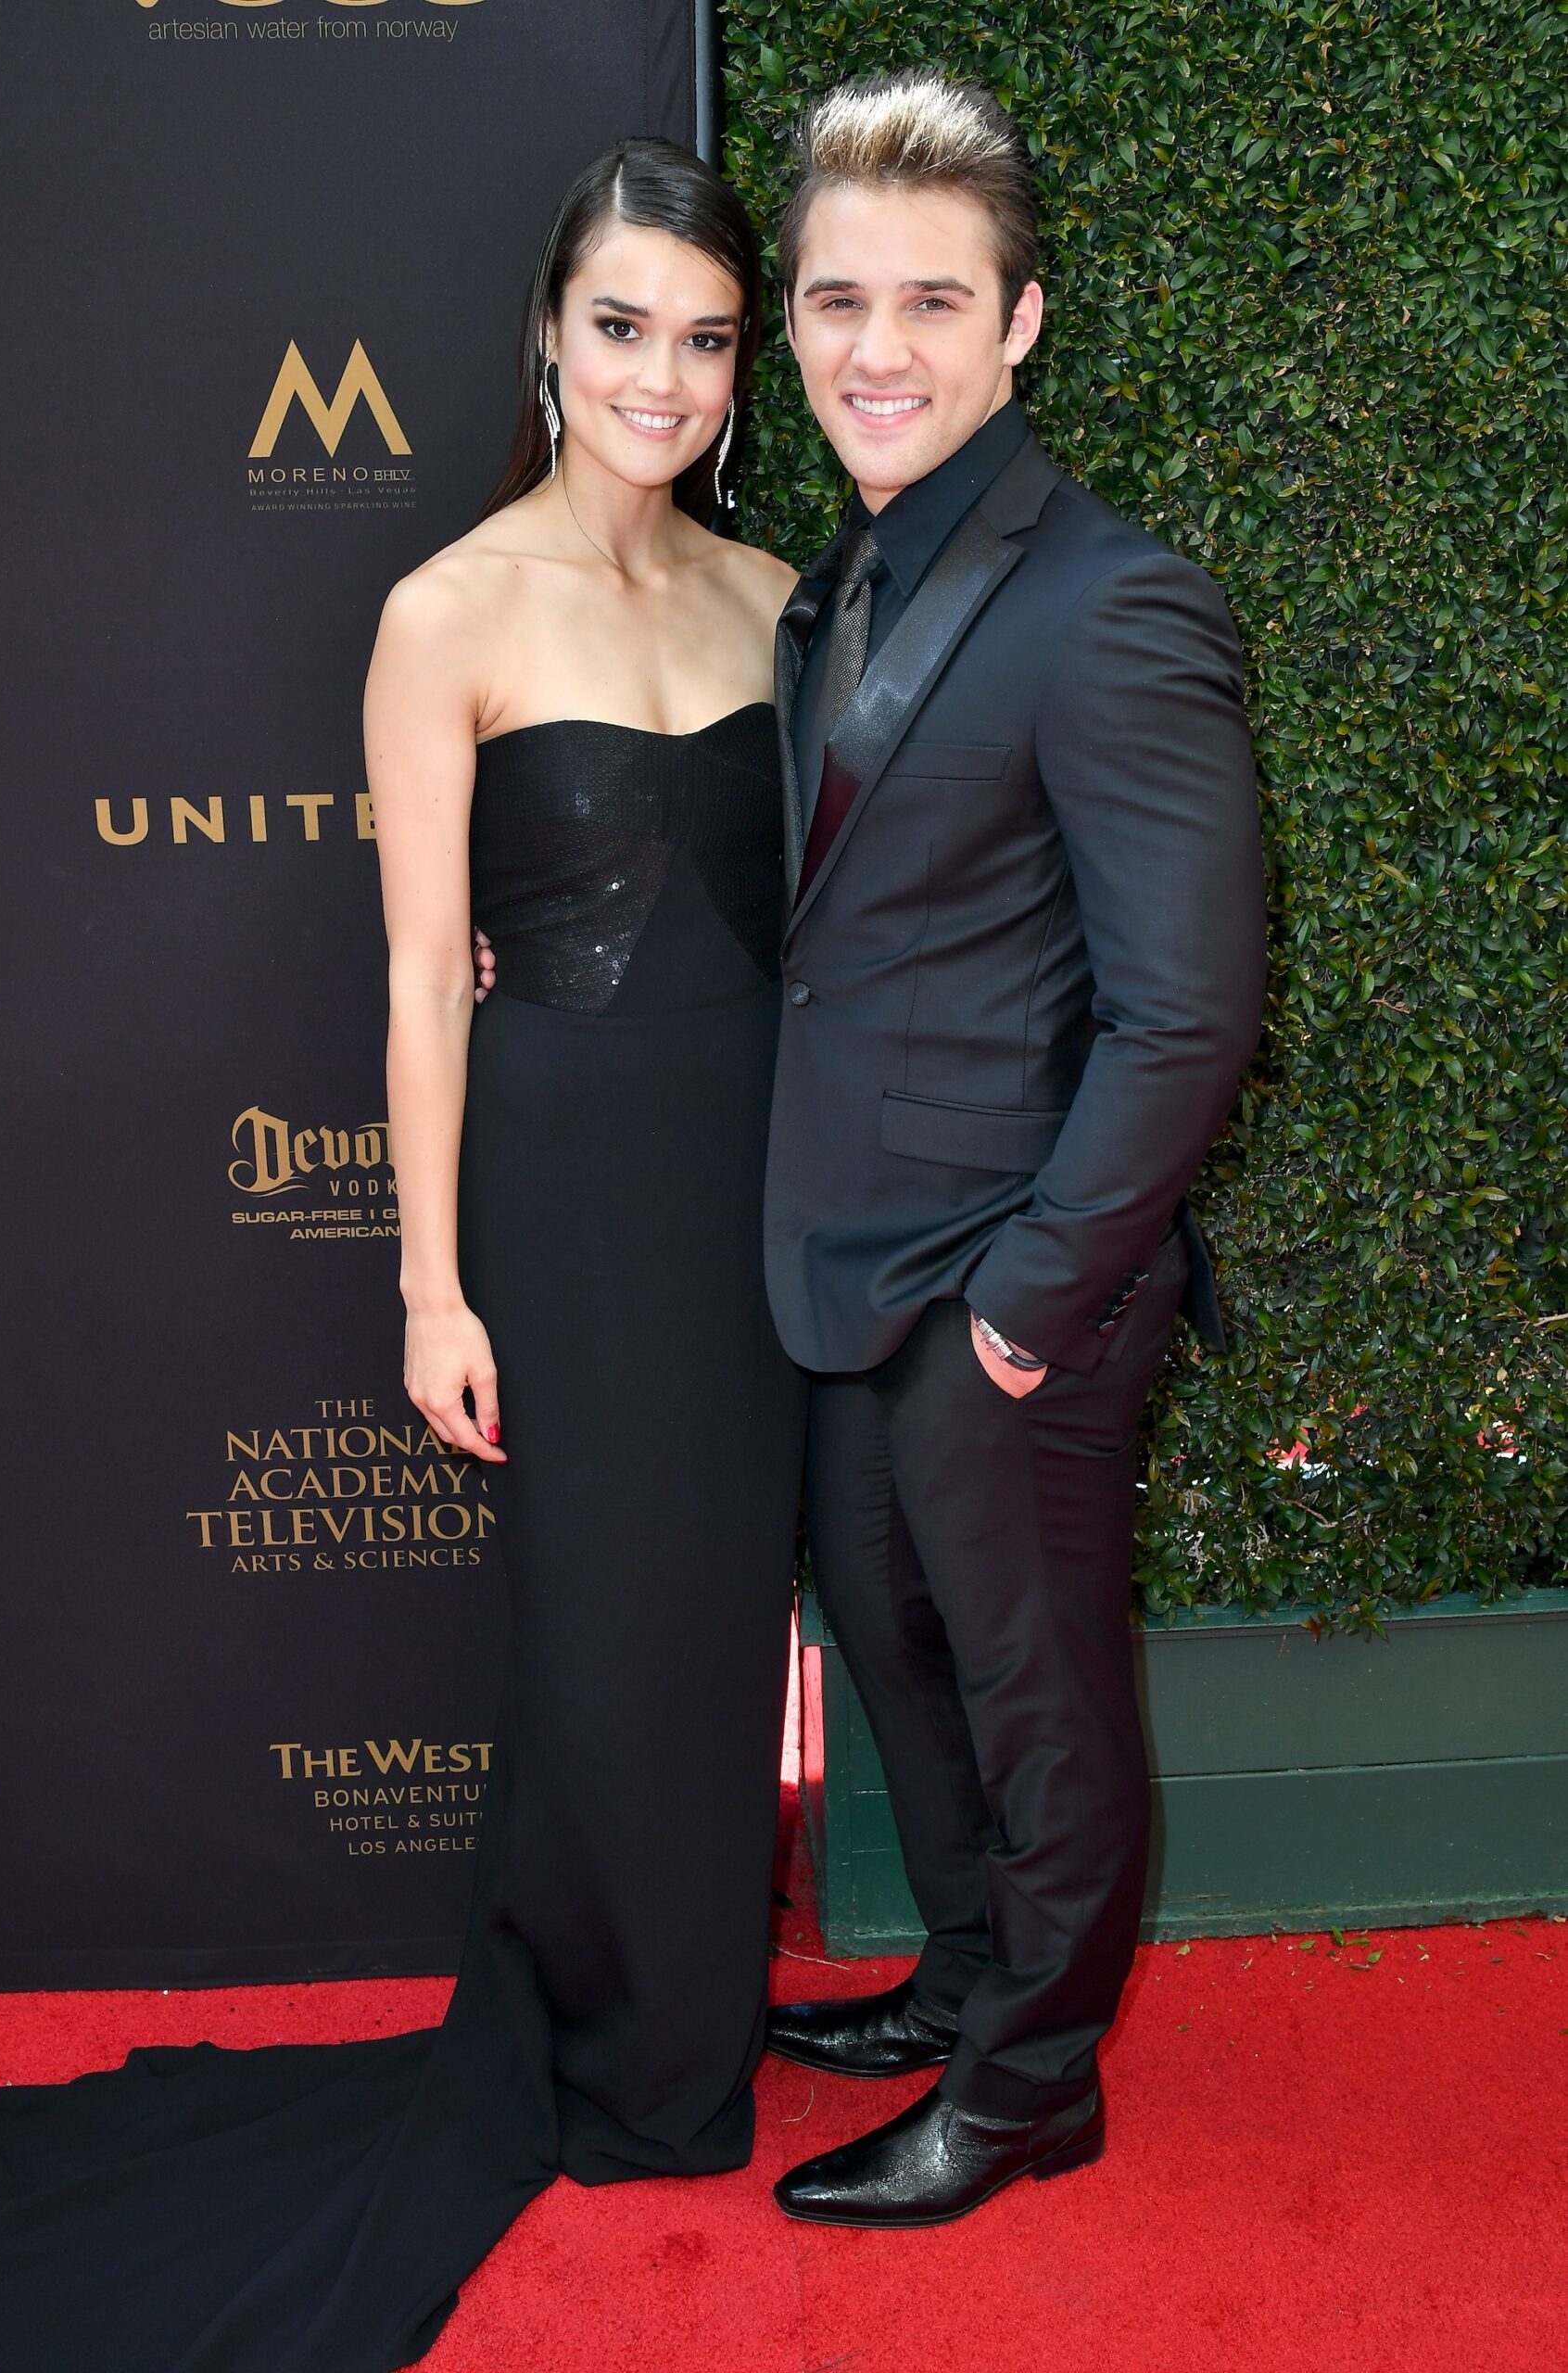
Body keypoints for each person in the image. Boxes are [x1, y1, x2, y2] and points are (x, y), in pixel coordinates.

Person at [0, 137, 805, 2371]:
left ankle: (692, 2024)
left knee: (723, 1615)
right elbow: (419, 969)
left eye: (704, 338)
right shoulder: (444, 609)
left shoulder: (770, 593)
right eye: (622, 326)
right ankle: (609, 2035)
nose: (661, 373)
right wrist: (431, 1283)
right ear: (548, 336)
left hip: (755, 1184)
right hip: (562, 1178)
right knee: (601, 1622)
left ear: (738, 372)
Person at [754, 70, 1269, 2227]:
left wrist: (1024, 1311)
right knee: (904, 1658)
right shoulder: (831, 588)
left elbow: (1188, 1009)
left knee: (1035, 1698)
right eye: (836, 298)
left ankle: (1031, 2079)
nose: (879, 346)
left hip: (1003, 1285)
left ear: (1019, 323)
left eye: (931, 302)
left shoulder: (1111, 603)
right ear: (789, 321)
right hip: (848, 1264)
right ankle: (962, 1976)